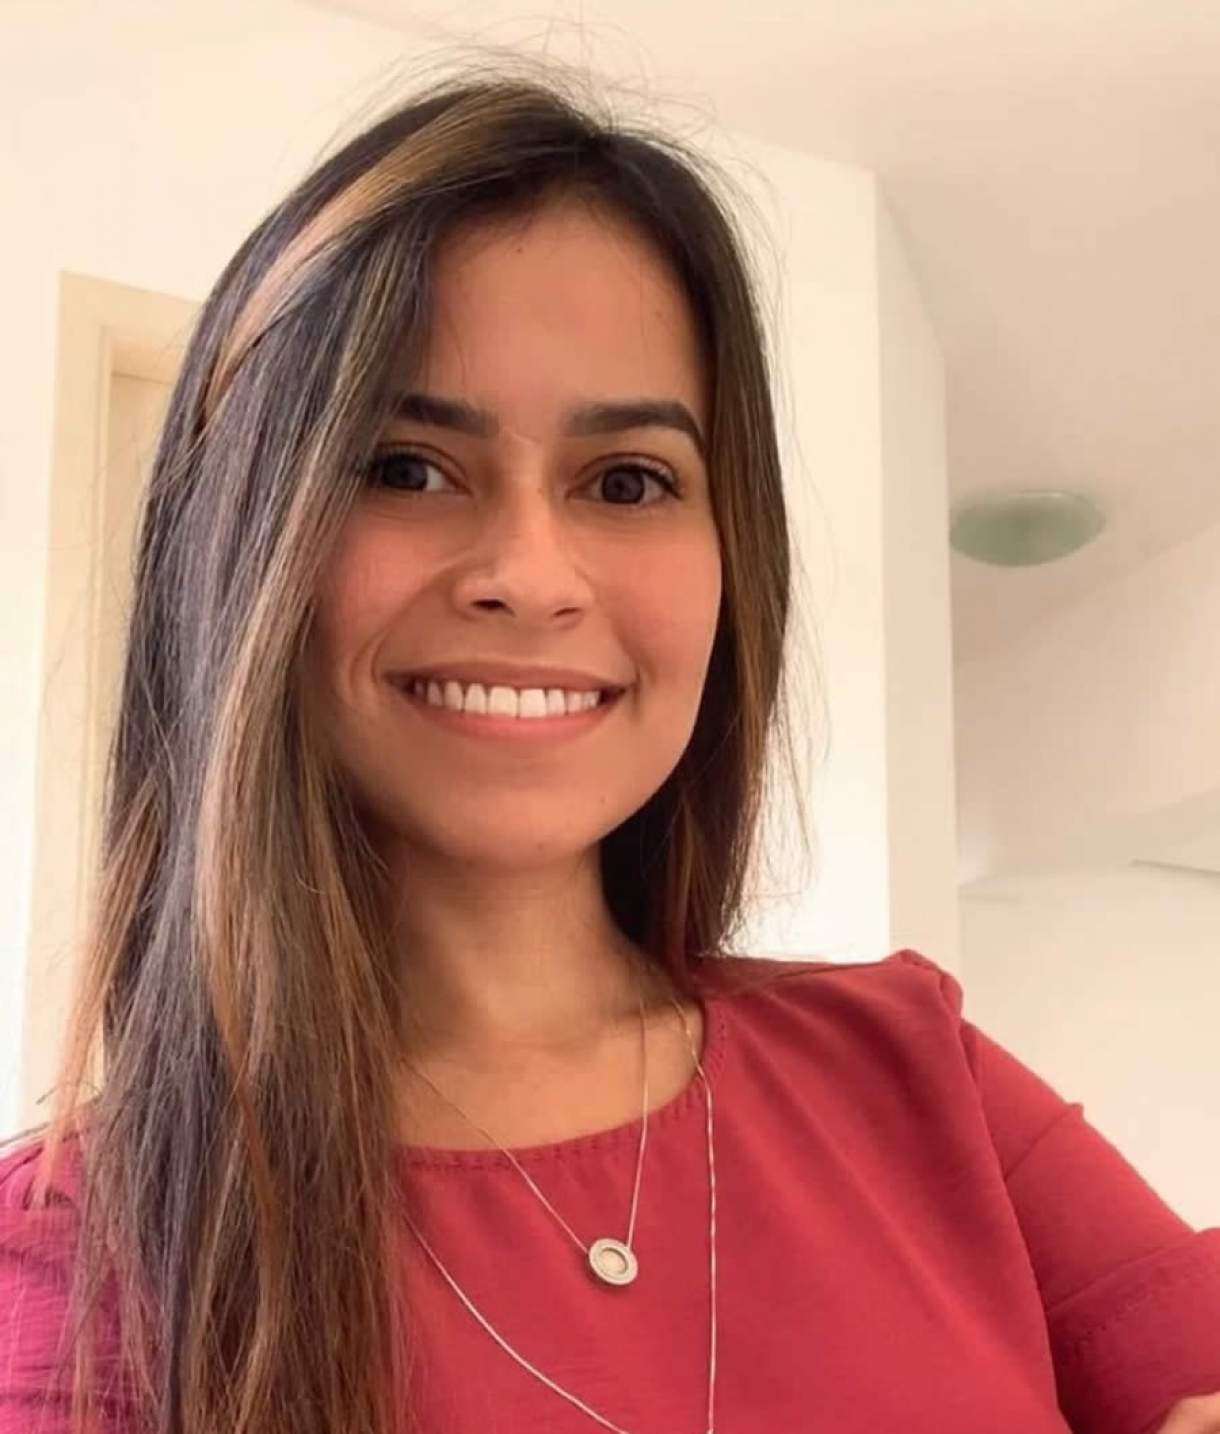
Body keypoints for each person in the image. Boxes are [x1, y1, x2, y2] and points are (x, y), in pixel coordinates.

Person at [2, 52, 1218, 1434]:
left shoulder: (918, 1071)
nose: (531, 574)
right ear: (238, 543)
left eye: (628, 480)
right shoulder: (79, 1263)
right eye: (405, 466)